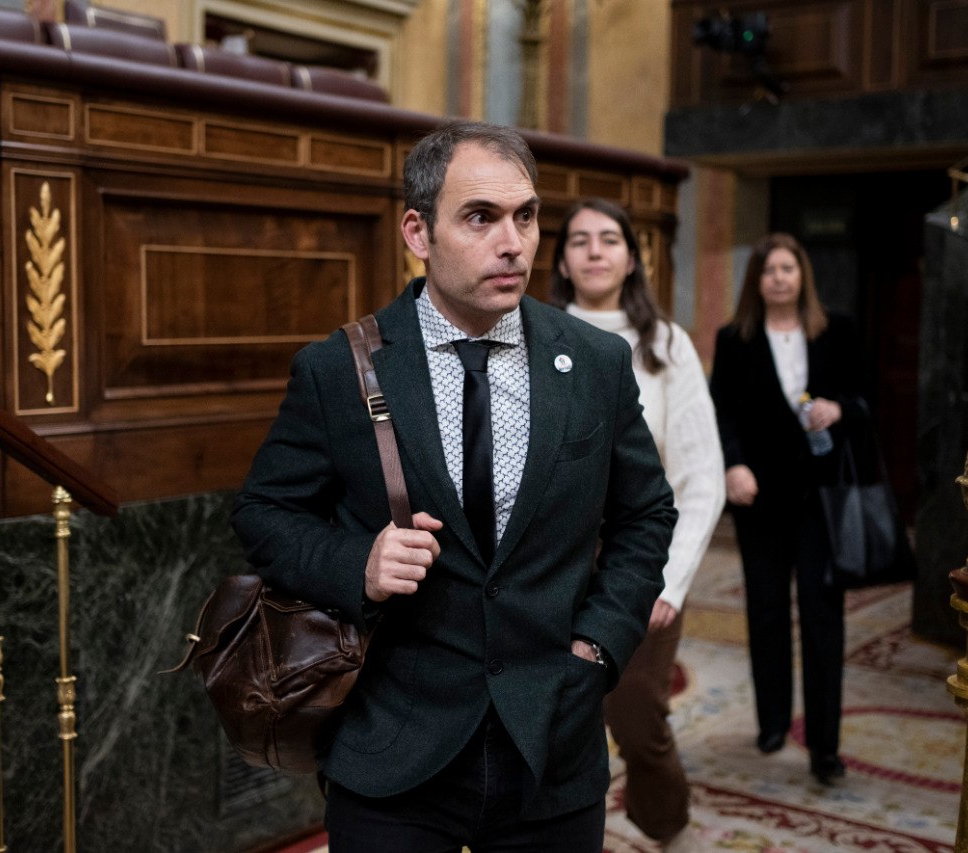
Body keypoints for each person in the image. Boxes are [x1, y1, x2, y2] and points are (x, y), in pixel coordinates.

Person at [231, 120, 677, 852]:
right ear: (418, 230)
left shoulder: (594, 362)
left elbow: (646, 515)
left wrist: (597, 647)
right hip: (394, 746)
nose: (514, 243)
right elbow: (264, 513)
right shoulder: (339, 368)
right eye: (481, 217)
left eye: (526, 216)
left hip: (552, 741)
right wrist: (358, 564)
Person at [549, 198, 724, 848]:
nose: (594, 251)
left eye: (609, 239)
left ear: (631, 256)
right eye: (580, 240)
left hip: (639, 561)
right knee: (558, 714)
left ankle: (666, 824)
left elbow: (702, 476)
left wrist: (669, 583)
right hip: (552, 564)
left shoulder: (665, 344)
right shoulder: (530, 331)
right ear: (563, 259)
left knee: (636, 711)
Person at [708, 232, 866, 786]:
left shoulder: (837, 330)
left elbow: (866, 401)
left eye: (788, 268)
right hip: (760, 499)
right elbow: (720, 412)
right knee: (767, 612)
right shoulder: (735, 338)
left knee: (824, 621)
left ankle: (825, 747)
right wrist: (732, 465)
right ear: (757, 280)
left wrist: (838, 408)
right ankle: (772, 723)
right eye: (769, 269)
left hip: (822, 501)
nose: (779, 277)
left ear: (802, 276)